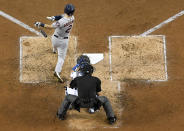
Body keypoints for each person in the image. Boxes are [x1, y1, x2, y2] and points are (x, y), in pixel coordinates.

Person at [34, 4, 75, 83]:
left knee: (55, 45)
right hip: (63, 42)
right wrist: (54, 17)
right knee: (61, 59)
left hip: (55, 39)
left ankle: (54, 50)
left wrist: (40, 24)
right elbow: (63, 16)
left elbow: (49, 27)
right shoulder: (73, 18)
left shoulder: (60, 22)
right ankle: (57, 71)